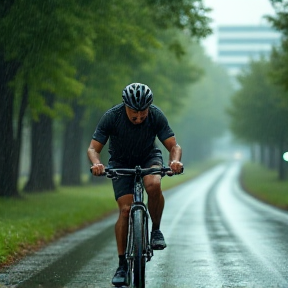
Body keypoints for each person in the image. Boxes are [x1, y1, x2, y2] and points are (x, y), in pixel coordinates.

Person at [87, 82, 183, 286]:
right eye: (134, 114)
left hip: (149, 157)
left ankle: (155, 230)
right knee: (125, 210)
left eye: (143, 113)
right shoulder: (112, 116)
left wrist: (175, 160)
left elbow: (173, 145)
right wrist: (97, 164)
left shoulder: (156, 115)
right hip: (120, 162)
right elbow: (93, 149)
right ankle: (122, 265)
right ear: (125, 107)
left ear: (149, 107)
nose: (139, 117)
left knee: (154, 184)